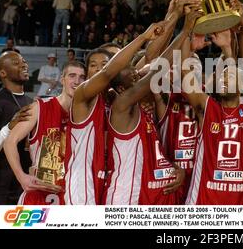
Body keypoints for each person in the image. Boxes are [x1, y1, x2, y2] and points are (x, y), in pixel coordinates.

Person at [103, 10, 200, 205]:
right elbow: (156, 65)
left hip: (152, 193)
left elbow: (152, 153)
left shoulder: (145, 109)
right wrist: (185, 29)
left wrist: (172, 167)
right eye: (135, 77)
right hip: (126, 197)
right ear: (122, 88)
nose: (139, 77)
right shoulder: (121, 106)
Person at [65, 20, 167, 205]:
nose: (99, 68)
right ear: (87, 71)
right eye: (93, 65)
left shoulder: (115, 98)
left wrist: (169, 19)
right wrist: (144, 36)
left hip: (109, 180)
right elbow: (107, 73)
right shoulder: (83, 97)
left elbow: (151, 57)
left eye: (105, 63)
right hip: (82, 185)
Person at [184, 0, 243, 205]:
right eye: (222, 75)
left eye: (230, 76)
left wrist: (242, 21)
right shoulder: (206, 108)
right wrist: (187, 31)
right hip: (202, 203)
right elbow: (184, 69)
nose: (224, 78)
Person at [4, 61, 86, 205]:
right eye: (72, 76)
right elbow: (10, 141)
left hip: (74, 195)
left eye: (82, 77)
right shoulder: (39, 108)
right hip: (39, 195)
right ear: (62, 79)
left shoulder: (88, 114)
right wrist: (21, 177)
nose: (77, 81)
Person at [0, 51, 33, 204]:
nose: (24, 64)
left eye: (24, 61)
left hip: (26, 184)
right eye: (16, 62)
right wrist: (10, 127)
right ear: (2, 72)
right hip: (2, 187)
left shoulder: (31, 101)